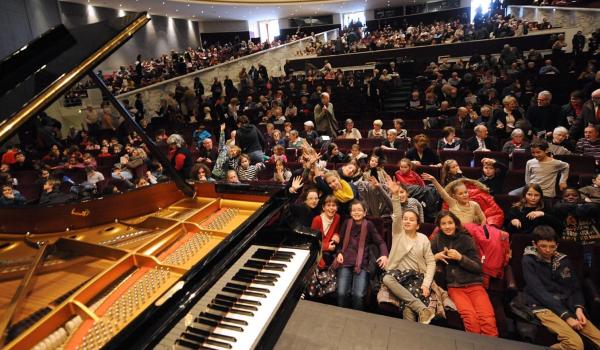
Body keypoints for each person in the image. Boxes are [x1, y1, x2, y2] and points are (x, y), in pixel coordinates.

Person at [522, 225, 600, 350]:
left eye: (552, 246)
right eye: (543, 246)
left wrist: (579, 308)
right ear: (535, 244)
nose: (548, 250)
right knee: (575, 344)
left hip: (566, 304)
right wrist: (566, 316)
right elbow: (539, 292)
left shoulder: (563, 260)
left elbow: (574, 287)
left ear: (557, 245)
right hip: (541, 306)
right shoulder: (529, 259)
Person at [430, 211, 498, 336]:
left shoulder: (466, 239)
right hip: (455, 286)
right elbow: (425, 257)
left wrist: (460, 257)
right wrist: (436, 256)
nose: (447, 226)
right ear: (439, 226)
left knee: (487, 319)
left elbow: (478, 267)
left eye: (450, 223)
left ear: (456, 224)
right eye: (443, 224)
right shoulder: (437, 239)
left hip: (474, 284)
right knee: (470, 318)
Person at [382, 180, 435, 323]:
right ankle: (422, 309)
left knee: (407, 307)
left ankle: (412, 332)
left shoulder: (423, 238)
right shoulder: (398, 233)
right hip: (399, 276)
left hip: (417, 278)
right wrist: (394, 194)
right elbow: (397, 213)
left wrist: (426, 283)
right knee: (387, 278)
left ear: (418, 225)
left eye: (411, 220)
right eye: (405, 219)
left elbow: (431, 262)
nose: (406, 221)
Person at [335, 200, 388, 311]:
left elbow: (381, 242)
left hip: (362, 264)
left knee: (358, 295)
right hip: (345, 261)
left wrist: (384, 255)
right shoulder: (347, 223)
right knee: (341, 293)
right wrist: (339, 253)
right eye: (354, 210)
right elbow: (340, 242)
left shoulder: (369, 225)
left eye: (359, 210)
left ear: (365, 212)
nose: (356, 212)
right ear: (350, 213)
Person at [422, 173, 486, 225]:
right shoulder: (452, 203)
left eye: (465, 192)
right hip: (454, 232)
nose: (464, 195)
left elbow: (483, 219)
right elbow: (442, 193)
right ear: (454, 196)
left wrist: (482, 231)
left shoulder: (474, 205)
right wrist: (434, 180)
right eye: (460, 194)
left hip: (468, 234)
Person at [311, 195, 341, 269]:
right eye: (328, 205)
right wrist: (326, 246)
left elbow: (336, 231)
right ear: (323, 208)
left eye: (333, 205)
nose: (331, 208)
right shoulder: (317, 220)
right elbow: (312, 241)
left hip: (331, 246)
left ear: (337, 208)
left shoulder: (337, 217)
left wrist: (336, 235)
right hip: (319, 249)